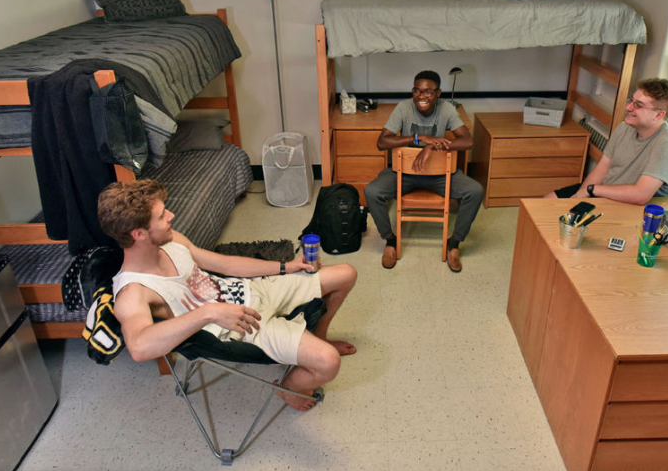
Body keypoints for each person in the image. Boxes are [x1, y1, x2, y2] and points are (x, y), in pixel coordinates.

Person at [98, 179, 357, 411]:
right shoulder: (133, 291)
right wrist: (208, 312)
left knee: (346, 274)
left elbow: (226, 265)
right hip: (243, 327)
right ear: (139, 234)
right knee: (328, 362)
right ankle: (287, 387)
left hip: (252, 291)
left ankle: (320, 336)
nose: (171, 216)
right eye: (161, 215)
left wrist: (286, 267)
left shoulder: (171, 240)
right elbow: (140, 348)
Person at [364, 70, 483, 273]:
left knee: (475, 191)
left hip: (438, 175)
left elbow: (467, 141)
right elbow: (382, 142)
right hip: (404, 174)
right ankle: (390, 241)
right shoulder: (403, 108)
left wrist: (433, 146)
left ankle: (454, 244)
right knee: (372, 192)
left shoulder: (447, 109)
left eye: (428, 92)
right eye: (417, 91)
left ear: (438, 93)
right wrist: (417, 138)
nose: (422, 96)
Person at [547, 78, 668, 204]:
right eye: (631, 100)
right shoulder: (625, 127)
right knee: (547, 201)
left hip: (636, 208)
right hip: (607, 193)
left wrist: (592, 190)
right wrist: (580, 196)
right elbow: (602, 168)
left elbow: (640, 195)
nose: (628, 108)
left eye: (638, 105)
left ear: (659, 115)